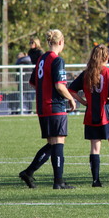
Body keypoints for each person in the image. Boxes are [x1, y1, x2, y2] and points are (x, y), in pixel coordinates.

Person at [19, 29, 77, 189]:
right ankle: (58, 182)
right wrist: (71, 98)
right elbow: (59, 85)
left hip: (42, 107)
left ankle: (29, 173)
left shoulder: (41, 59)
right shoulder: (57, 60)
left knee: (53, 144)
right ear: (60, 42)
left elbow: (33, 82)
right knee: (58, 143)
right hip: (54, 106)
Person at [69, 45, 109, 187]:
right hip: (107, 113)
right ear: (107, 57)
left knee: (95, 148)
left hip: (91, 114)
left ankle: (95, 180)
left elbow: (71, 89)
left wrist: (83, 102)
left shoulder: (86, 74)